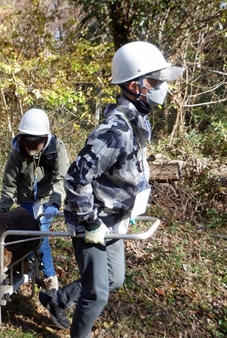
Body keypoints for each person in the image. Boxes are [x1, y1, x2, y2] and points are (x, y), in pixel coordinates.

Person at [39, 41, 184, 335]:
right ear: (134, 85)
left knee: (114, 279)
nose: (162, 87)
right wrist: (90, 222)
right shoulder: (115, 131)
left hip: (114, 218)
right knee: (98, 293)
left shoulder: (136, 123)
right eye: (155, 81)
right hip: (92, 221)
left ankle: (58, 300)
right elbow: (76, 177)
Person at [0, 108, 69, 290]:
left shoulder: (57, 149)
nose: (31, 151)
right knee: (23, 235)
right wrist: (1, 211)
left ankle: (50, 276)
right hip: (26, 199)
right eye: (28, 146)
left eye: (36, 147)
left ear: (44, 138)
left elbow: (61, 179)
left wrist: (55, 202)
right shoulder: (17, 153)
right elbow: (9, 184)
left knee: (40, 235)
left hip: (46, 200)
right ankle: (27, 264)